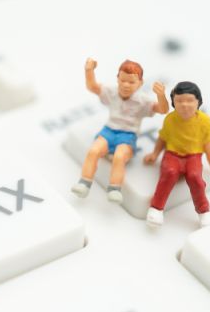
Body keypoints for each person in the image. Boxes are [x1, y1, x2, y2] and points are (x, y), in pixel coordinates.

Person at [71, 58, 168, 203]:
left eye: (131, 82)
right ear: (117, 79)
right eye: (122, 80)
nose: (125, 85)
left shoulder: (143, 101)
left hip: (127, 135)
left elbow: (162, 110)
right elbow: (92, 86)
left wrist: (161, 95)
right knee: (93, 151)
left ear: (140, 83)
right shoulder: (111, 92)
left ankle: (114, 189)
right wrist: (89, 70)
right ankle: (84, 183)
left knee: (119, 156)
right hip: (108, 131)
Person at [143, 81, 210, 227]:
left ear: (198, 102)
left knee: (195, 177)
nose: (184, 105)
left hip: (194, 155)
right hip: (172, 154)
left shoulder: (204, 121)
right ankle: (156, 209)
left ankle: (203, 211)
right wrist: (155, 154)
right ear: (173, 102)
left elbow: (208, 144)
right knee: (169, 172)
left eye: (190, 100)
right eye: (179, 101)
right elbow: (163, 138)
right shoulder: (170, 119)